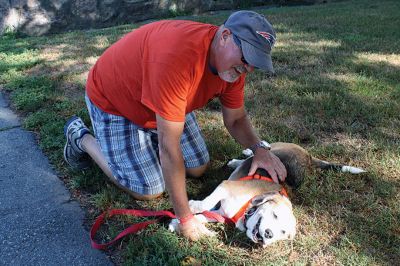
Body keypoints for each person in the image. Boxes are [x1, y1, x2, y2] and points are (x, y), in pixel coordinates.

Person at [63, 10, 287, 241]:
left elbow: (236, 119)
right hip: (116, 102)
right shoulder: (178, 58)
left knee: (198, 167)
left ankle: (141, 150)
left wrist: (260, 149)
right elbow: (169, 147)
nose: (248, 68)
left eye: (254, 63)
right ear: (225, 36)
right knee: (148, 189)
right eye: (246, 57)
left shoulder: (234, 69)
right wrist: (186, 218)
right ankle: (82, 138)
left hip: (163, 102)